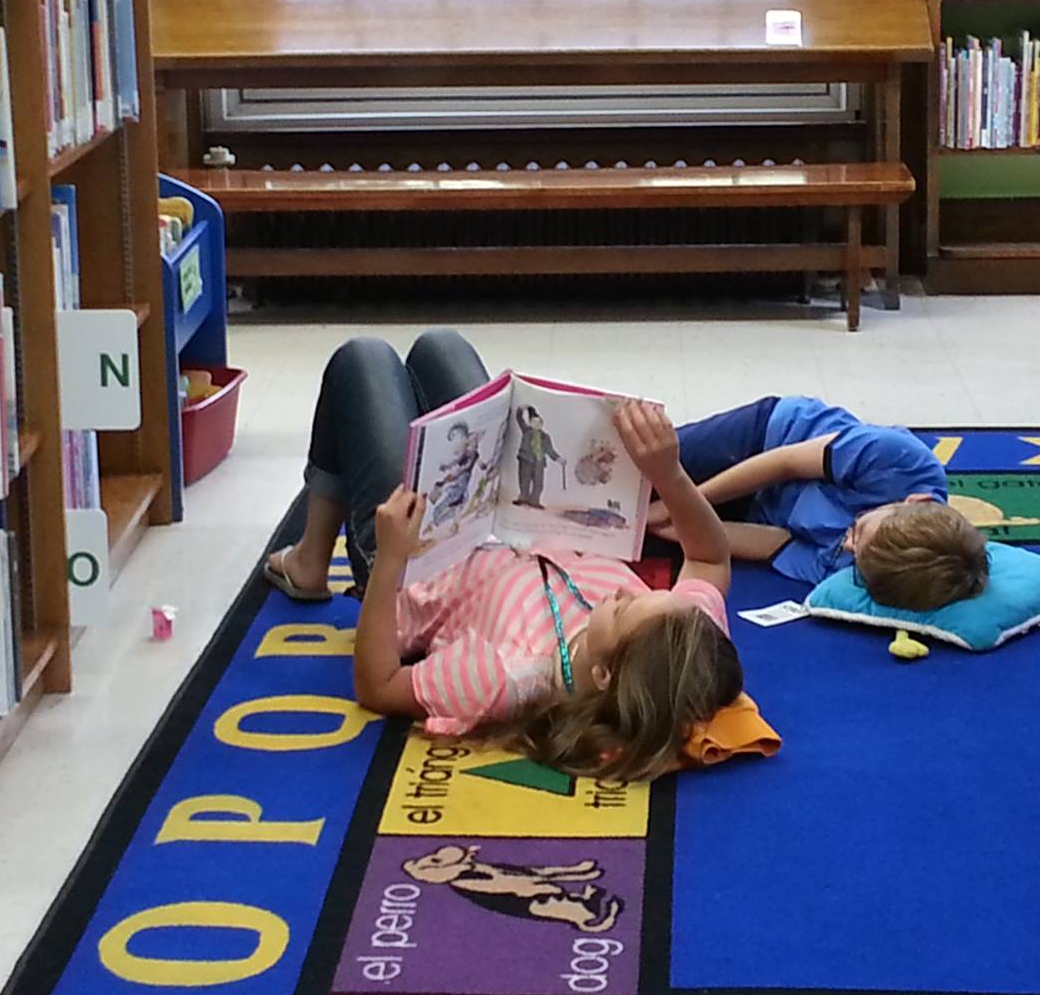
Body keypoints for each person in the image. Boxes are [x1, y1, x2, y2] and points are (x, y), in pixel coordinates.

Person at [263, 332, 742, 782]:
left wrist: (388, 558)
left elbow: (379, 686)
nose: (623, 590)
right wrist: (667, 474)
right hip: (505, 507)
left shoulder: (501, 679)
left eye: (621, 608)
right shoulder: (685, 639)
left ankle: (311, 560)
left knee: (363, 360)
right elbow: (707, 562)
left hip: (413, 556)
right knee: (440, 347)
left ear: (602, 673)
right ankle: (311, 558)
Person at [652, 395, 989, 609]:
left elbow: (771, 544)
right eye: (861, 529)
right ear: (915, 501)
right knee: (632, 468)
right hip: (767, 442)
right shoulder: (900, 460)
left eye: (858, 557)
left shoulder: (871, 565)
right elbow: (785, 463)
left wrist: (667, 523)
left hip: (761, 513)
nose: (848, 546)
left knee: (632, 533)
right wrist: (676, 498)